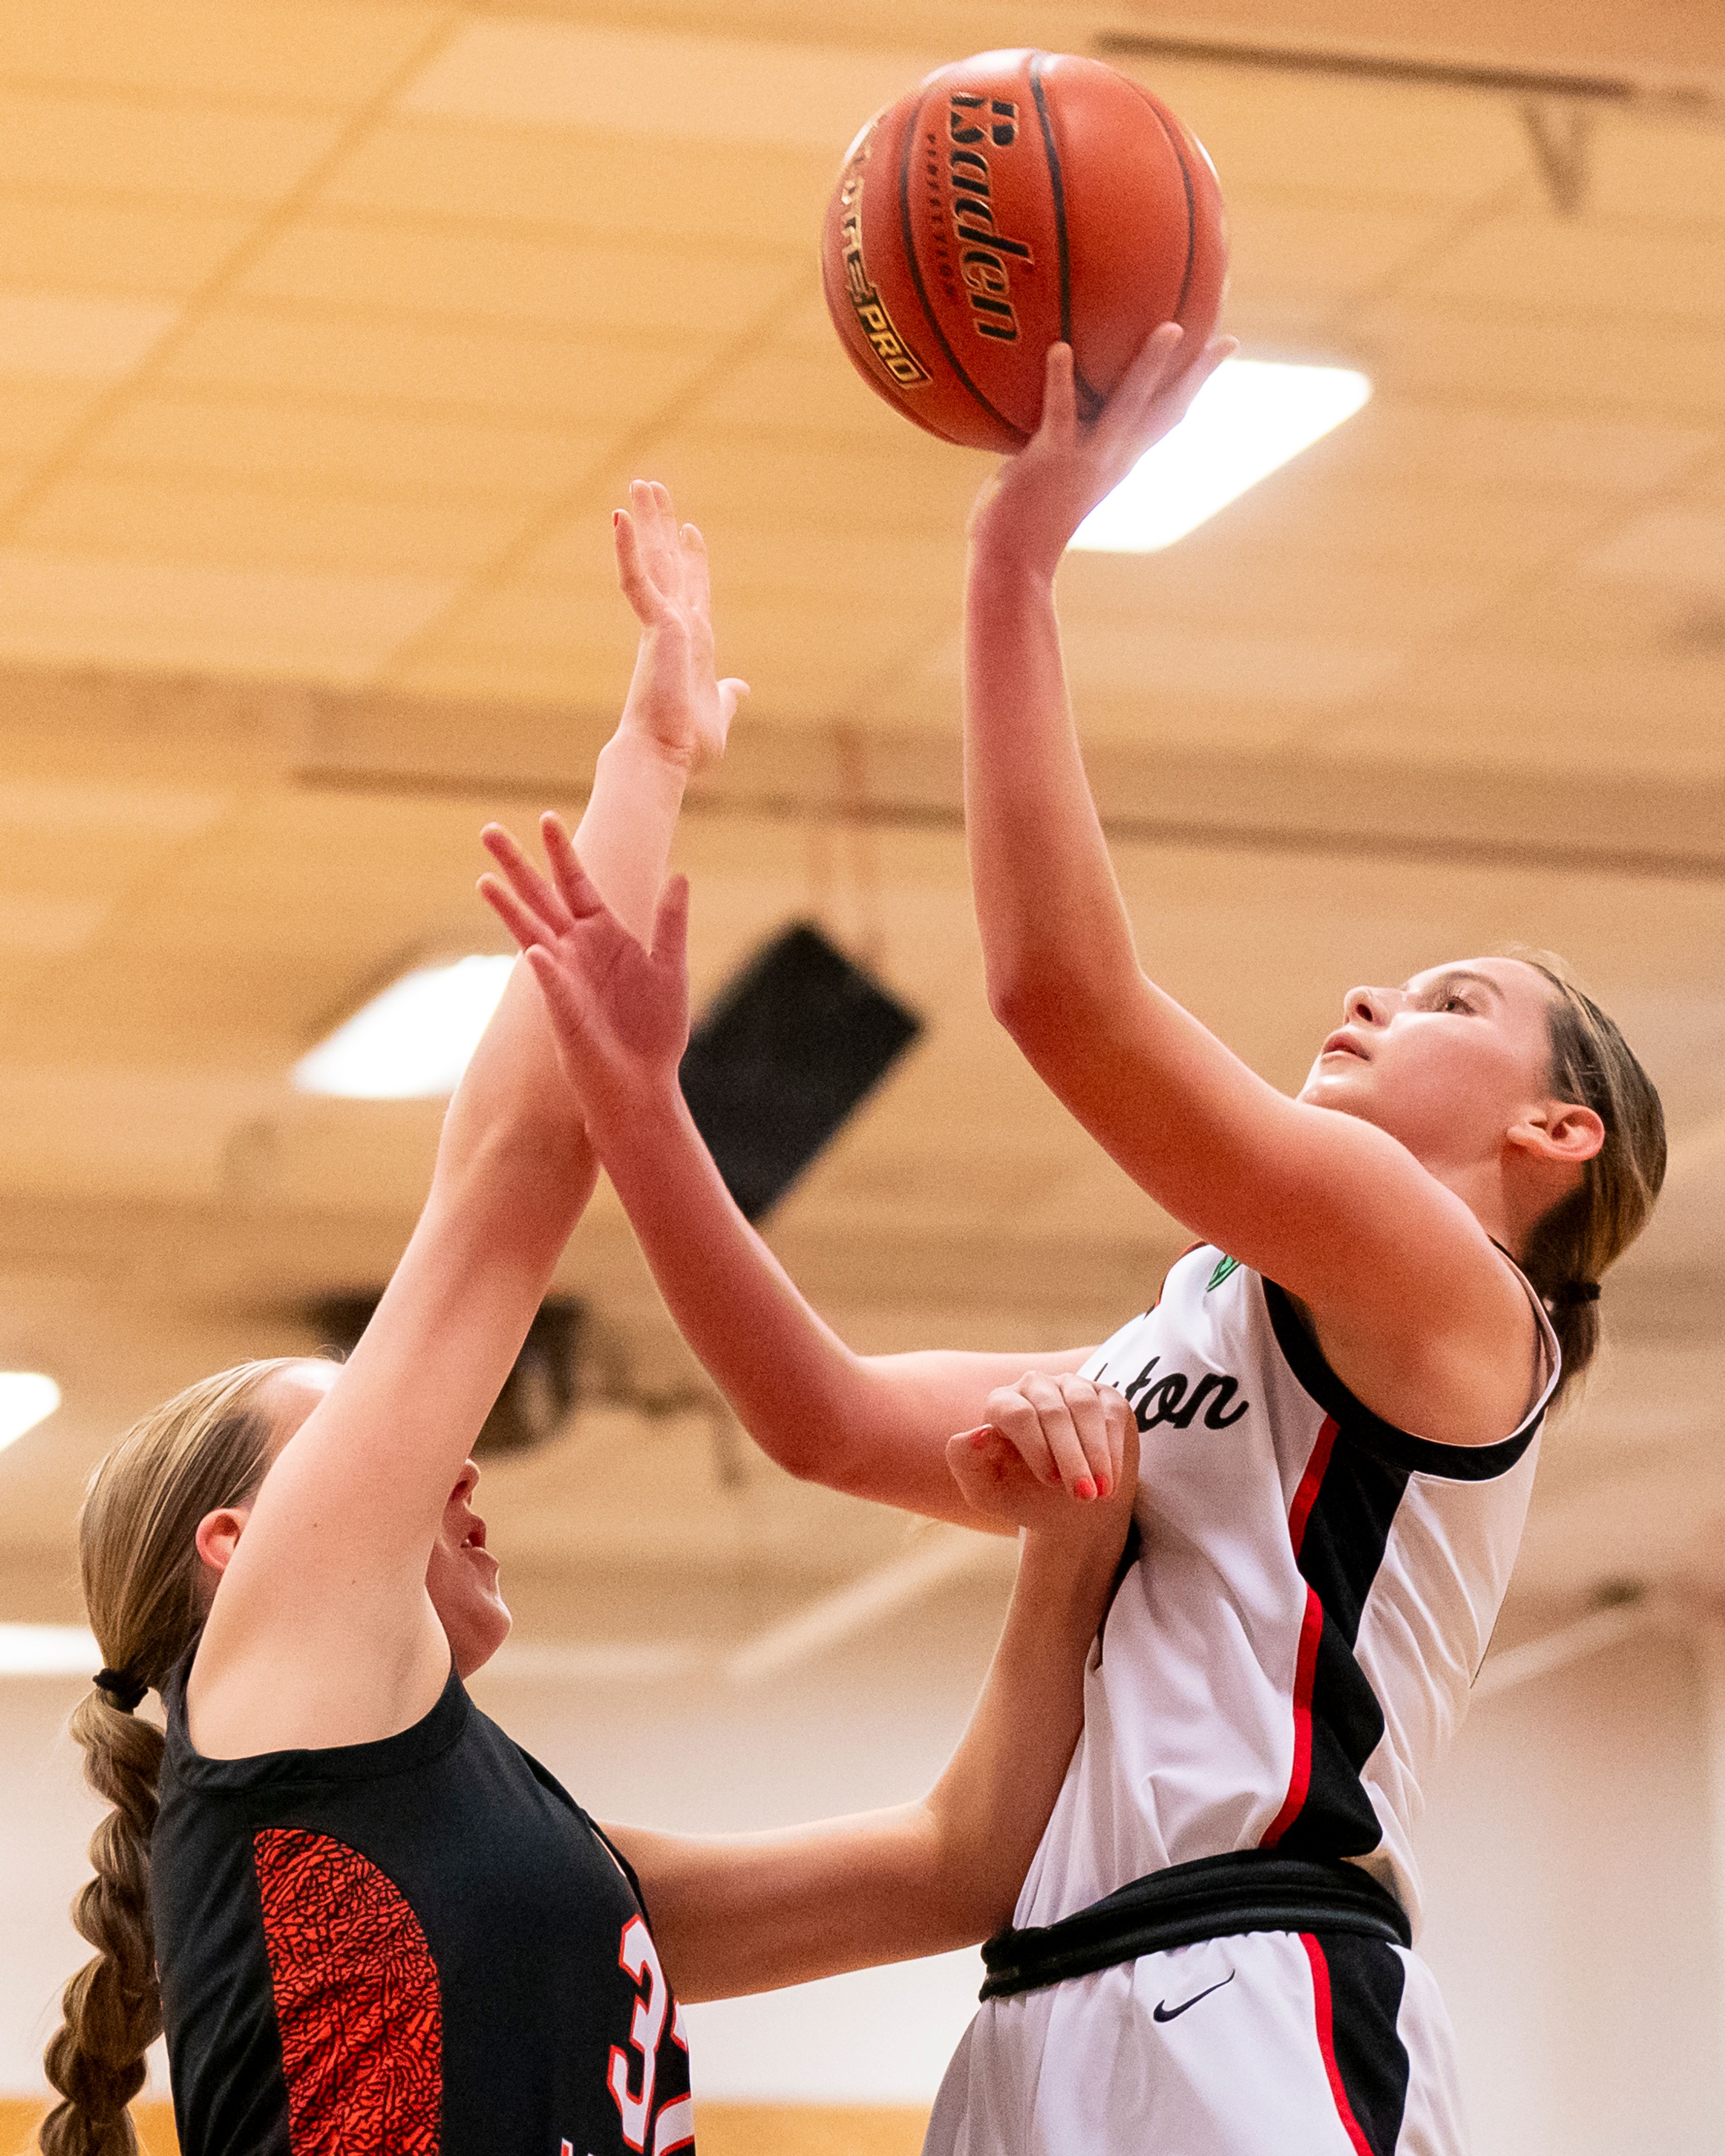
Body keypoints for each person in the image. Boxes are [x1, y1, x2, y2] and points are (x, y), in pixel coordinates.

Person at [476, 327, 1668, 2156]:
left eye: (1447, 1001)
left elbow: (1063, 1000)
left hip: (1257, 1984)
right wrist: (641, 1104)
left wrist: (1011, 565)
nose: (1370, 992)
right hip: (1035, 2016)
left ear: (1552, 1134)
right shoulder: (1187, 1344)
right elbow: (818, 1418)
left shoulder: (1453, 1295)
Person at [40, 484, 1139, 2156]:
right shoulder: (280, 1681)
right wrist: (653, 756)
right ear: (243, 1545)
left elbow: (956, 1869)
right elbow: (511, 1182)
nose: (450, 1454)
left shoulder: (522, 1856)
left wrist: (1071, 1549)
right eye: (365, 1436)